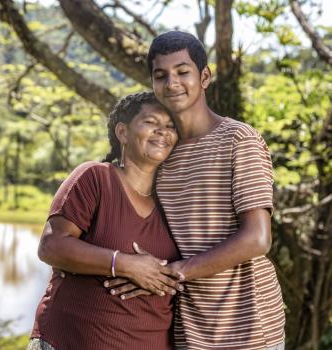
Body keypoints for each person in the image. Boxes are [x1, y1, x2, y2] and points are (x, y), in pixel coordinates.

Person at [106, 31, 286, 350]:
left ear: (204, 77)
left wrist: (173, 272)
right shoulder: (162, 152)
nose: (172, 83)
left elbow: (258, 238)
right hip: (190, 326)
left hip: (248, 326)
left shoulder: (238, 140)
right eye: (161, 75)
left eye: (182, 71)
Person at [27, 92, 184, 350]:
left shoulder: (173, 203)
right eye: (151, 122)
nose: (162, 131)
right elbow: (51, 245)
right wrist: (123, 264)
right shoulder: (95, 177)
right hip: (71, 339)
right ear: (122, 132)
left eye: (170, 126)